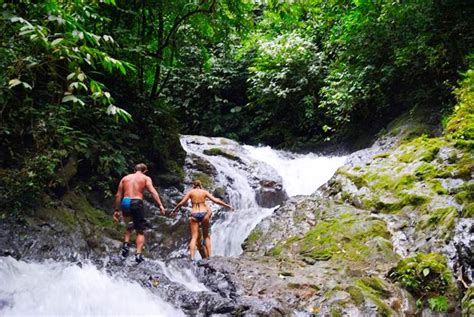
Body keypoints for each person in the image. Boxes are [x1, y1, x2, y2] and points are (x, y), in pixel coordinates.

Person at [113, 163, 165, 263]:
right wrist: (160, 205)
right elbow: (153, 192)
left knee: (129, 225)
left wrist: (116, 209)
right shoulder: (145, 178)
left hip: (125, 202)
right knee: (140, 231)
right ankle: (138, 254)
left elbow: (118, 195)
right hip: (136, 202)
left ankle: (125, 245)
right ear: (145, 171)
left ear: (134, 170)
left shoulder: (125, 178)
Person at [171, 180, 232, 260]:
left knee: (194, 237)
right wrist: (226, 205)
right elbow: (215, 200)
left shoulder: (190, 192)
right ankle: (210, 257)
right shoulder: (204, 192)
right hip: (204, 213)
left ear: (193, 185)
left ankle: (192, 257)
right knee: (206, 236)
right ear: (200, 185)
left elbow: (182, 203)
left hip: (194, 214)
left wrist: (175, 210)